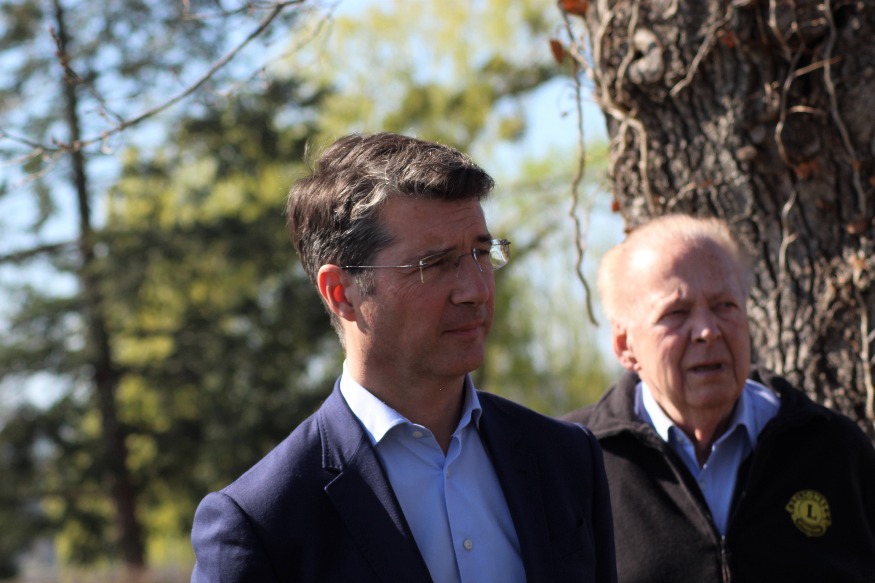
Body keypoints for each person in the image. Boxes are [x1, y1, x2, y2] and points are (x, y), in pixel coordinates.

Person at [190, 132, 617, 583]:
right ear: (341, 292)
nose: (475, 290)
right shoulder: (261, 524)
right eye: (434, 264)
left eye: (480, 252)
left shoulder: (567, 459)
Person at [563, 214, 875, 582]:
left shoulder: (834, 450)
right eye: (676, 312)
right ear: (624, 344)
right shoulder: (572, 462)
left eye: (725, 305)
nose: (708, 331)